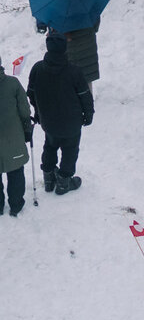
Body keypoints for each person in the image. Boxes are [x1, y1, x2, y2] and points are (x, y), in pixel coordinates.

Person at [27, 31, 93, 194]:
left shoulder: (37, 68)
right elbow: (85, 96)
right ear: (64, 49)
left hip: (48, 121)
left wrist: (38, 112)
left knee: (50, 146)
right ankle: (64, 181)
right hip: (71, 122)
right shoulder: (74, 71)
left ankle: (48, 178)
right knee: (70, 150)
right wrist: (89, 115)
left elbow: (31, 92)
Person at [0, 56, 29, 216]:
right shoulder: (13, 84)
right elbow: (24, 109)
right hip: (13, 137)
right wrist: (27, 128)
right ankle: (16, 205)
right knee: (16, 170)